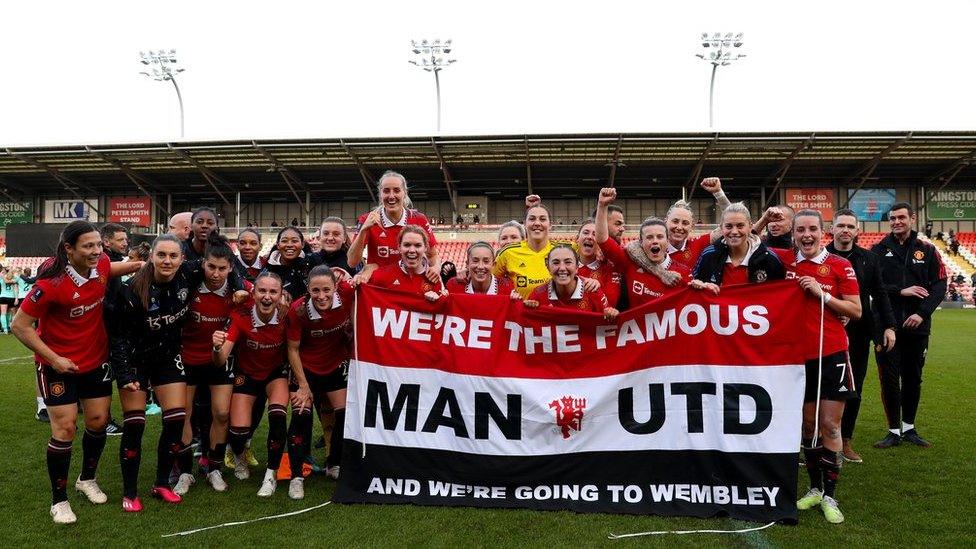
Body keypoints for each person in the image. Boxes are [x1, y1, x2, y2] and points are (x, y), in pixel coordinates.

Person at [11, 220, 141, 524]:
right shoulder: (50, 284)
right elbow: (19, 325)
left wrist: (144, 264)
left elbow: (113, 268)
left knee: (97, 423)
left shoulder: (103, 264)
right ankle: (59, 500)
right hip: (58, 366)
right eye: (88, 246)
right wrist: (54, 358)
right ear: (69, 249)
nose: (97, 251)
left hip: (96, 362)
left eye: (99, 244)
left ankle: (87, 479)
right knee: (66, 429)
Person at [111, 233, 243, 511]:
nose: (167, 261)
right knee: (135, 425)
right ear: (151, 257)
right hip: (136, 361)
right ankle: (130, 492)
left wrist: (239, 285)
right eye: (162, 255)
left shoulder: (190, 273)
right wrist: (124, 375)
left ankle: (161, 483)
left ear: (183, 259)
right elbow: (118, 336)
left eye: (173, 256)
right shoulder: (132, 289)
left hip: (168, 358)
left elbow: (225, 267)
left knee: (175, 420)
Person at [773, 210, 861, 525]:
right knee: (808, 427)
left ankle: (831, 496)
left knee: (831, 426)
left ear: (822, 232)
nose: (806, 235)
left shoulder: (840, 265)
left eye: (812, 229)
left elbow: (856, 310)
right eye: (800, 230)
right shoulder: (784, 262)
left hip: (833, 353)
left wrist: (822, 294)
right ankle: (814, 487)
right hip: (797, 358)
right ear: (793, 234)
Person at [173, 236, 250, 495]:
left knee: (221, 414)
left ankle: (214, 468)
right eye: (211, 267)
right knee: (183, 415)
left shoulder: (239, 293)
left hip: (220, 360)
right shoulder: (188, 285)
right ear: (202, 265)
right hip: (187, 359)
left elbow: (264, 297)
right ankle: (185, 472)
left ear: (231, 268)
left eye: (222, 268)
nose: (216, 274)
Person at [870, 202, 947, 449]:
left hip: (917, 326)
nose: (896, 222)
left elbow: (940, 285)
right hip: (886, 326)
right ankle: (893, 431)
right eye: (892, 218)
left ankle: (909, 428)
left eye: (901, 217)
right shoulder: (878, 250)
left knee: (913, 378)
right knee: (889, 379)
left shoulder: (927, 249)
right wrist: (900, 291)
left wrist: (922, 314)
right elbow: (873, 287)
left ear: (912, 218)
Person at [827, 209, 898, 463]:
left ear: (857, 231)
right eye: (841, 225)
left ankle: (845, 440)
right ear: (832, 229)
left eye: (850, 226)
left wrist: (889, 326)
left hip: (859, 333)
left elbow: (880, 294)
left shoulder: (869, 258)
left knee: (853, 387)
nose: (845, 230)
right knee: (820, 388)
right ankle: (816, 442)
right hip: (824, 331)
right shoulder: (819, 256)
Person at [212, 272, 290, 497]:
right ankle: (238, 454)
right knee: (238, 432)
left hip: (275, 374)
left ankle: (270, 475)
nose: (267, 296)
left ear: (280, 295)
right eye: (262, 291)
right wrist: (217, 348)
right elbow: (220, 359)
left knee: (278, 415)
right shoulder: (240, 315)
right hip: (246, 375)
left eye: (273, 292)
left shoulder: (287, 315)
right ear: (253, 293)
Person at [285, 266, 355, 498]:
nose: (322, 295)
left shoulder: (347, 292)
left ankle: (333, 463)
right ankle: (296, 475)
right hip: (306, 369)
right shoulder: (298, 310)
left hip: (335, 365)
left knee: (345, 414)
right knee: (301, 415)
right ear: (308, 290)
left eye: (327, 289)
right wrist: (303, 385)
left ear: (336, 287)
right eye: (316, 290)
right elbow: (292, 350)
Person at [595, 188, 691, 305]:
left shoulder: (683, 272)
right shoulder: (629, 262)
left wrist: (705, 286)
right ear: (641, 242)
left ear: (667, 241)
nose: (655, 241)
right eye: (649, 237)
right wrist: (602, 205)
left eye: (660, 237)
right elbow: (602, 239)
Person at [494, 201, 599, 299]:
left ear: (550, 225)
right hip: (524, 316)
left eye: (542, 219)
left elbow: (593, 248)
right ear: (525, 224)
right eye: (532, 219)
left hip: (555, 315)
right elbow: (491, 282)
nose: (537, 223)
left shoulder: (567, 249)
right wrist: (507, 293)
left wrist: (600, 251)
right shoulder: (508, 252)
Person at [348, 171, 439, 283]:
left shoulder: (419, 219)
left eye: (396, 190)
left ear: (404, 193)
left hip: (410, 283)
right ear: (380, 194)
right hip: (381, 286)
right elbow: (352, 262)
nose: (391, 196)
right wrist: (363, 230)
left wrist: (436, 269)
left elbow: (433, 256)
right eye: (386, 191)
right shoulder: (367, 219)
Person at [692, 203, 786, 290]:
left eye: (740, 226)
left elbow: (782, 294)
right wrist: (698, 284)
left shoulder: (770, 259)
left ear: (750, 227)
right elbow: (693, 285)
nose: (734, 232)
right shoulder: (708, 255)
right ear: (721, 228)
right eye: (728, 226)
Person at [524, 245, 618, 321]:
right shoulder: (537, 294)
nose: (562, 268)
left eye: (568, 262)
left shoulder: (593, 291)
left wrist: (611, 314)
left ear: (577, 267)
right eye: (556, 263)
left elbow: (609, 324)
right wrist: (527, 308)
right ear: (548, 268)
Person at [361, 226, 445, 300]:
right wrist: (359, 280)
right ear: (399, 247)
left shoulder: (434, 280)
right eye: (407, 245)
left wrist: (437, 302)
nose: (412, 250)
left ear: (426, 248)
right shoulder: (379, 276)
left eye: (418, 245)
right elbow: (362, 298)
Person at [664, 177, 731, 267]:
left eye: (685, 223)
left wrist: (718, 193)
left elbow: (730, 220)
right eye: (675, 221)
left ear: (692, 226)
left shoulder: (697, 244)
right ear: (665, 222)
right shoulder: (653, 246)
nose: (679, 227)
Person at [576, 219, 622, 308]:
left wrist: (597, 290)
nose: (589, 237)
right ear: (577, 238)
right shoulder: (566, 267)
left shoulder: (610, 269)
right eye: (585, 233)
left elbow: (610, 307)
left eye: (595, 234)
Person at [446, 242, 516, 296]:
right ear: (467, 264)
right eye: (475, 261)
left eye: (486, 261)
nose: (480, 267)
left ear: (493, 265)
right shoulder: (454, 286)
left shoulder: (507, 287)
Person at [263, 227, 312, 301]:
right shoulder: (267, 269)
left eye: (294, 241)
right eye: (284, 241)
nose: (289, 245)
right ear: (278, 245)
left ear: (302, 244)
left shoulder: (311, 263)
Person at [0, 268, 19, 334]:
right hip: (12, 297)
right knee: (12, 313)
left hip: (3, 297)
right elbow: (16, 289)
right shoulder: (15, 278)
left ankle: (5, 330)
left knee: (3, 313)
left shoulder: (1, 278)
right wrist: (16, 298)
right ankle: (11, 328)